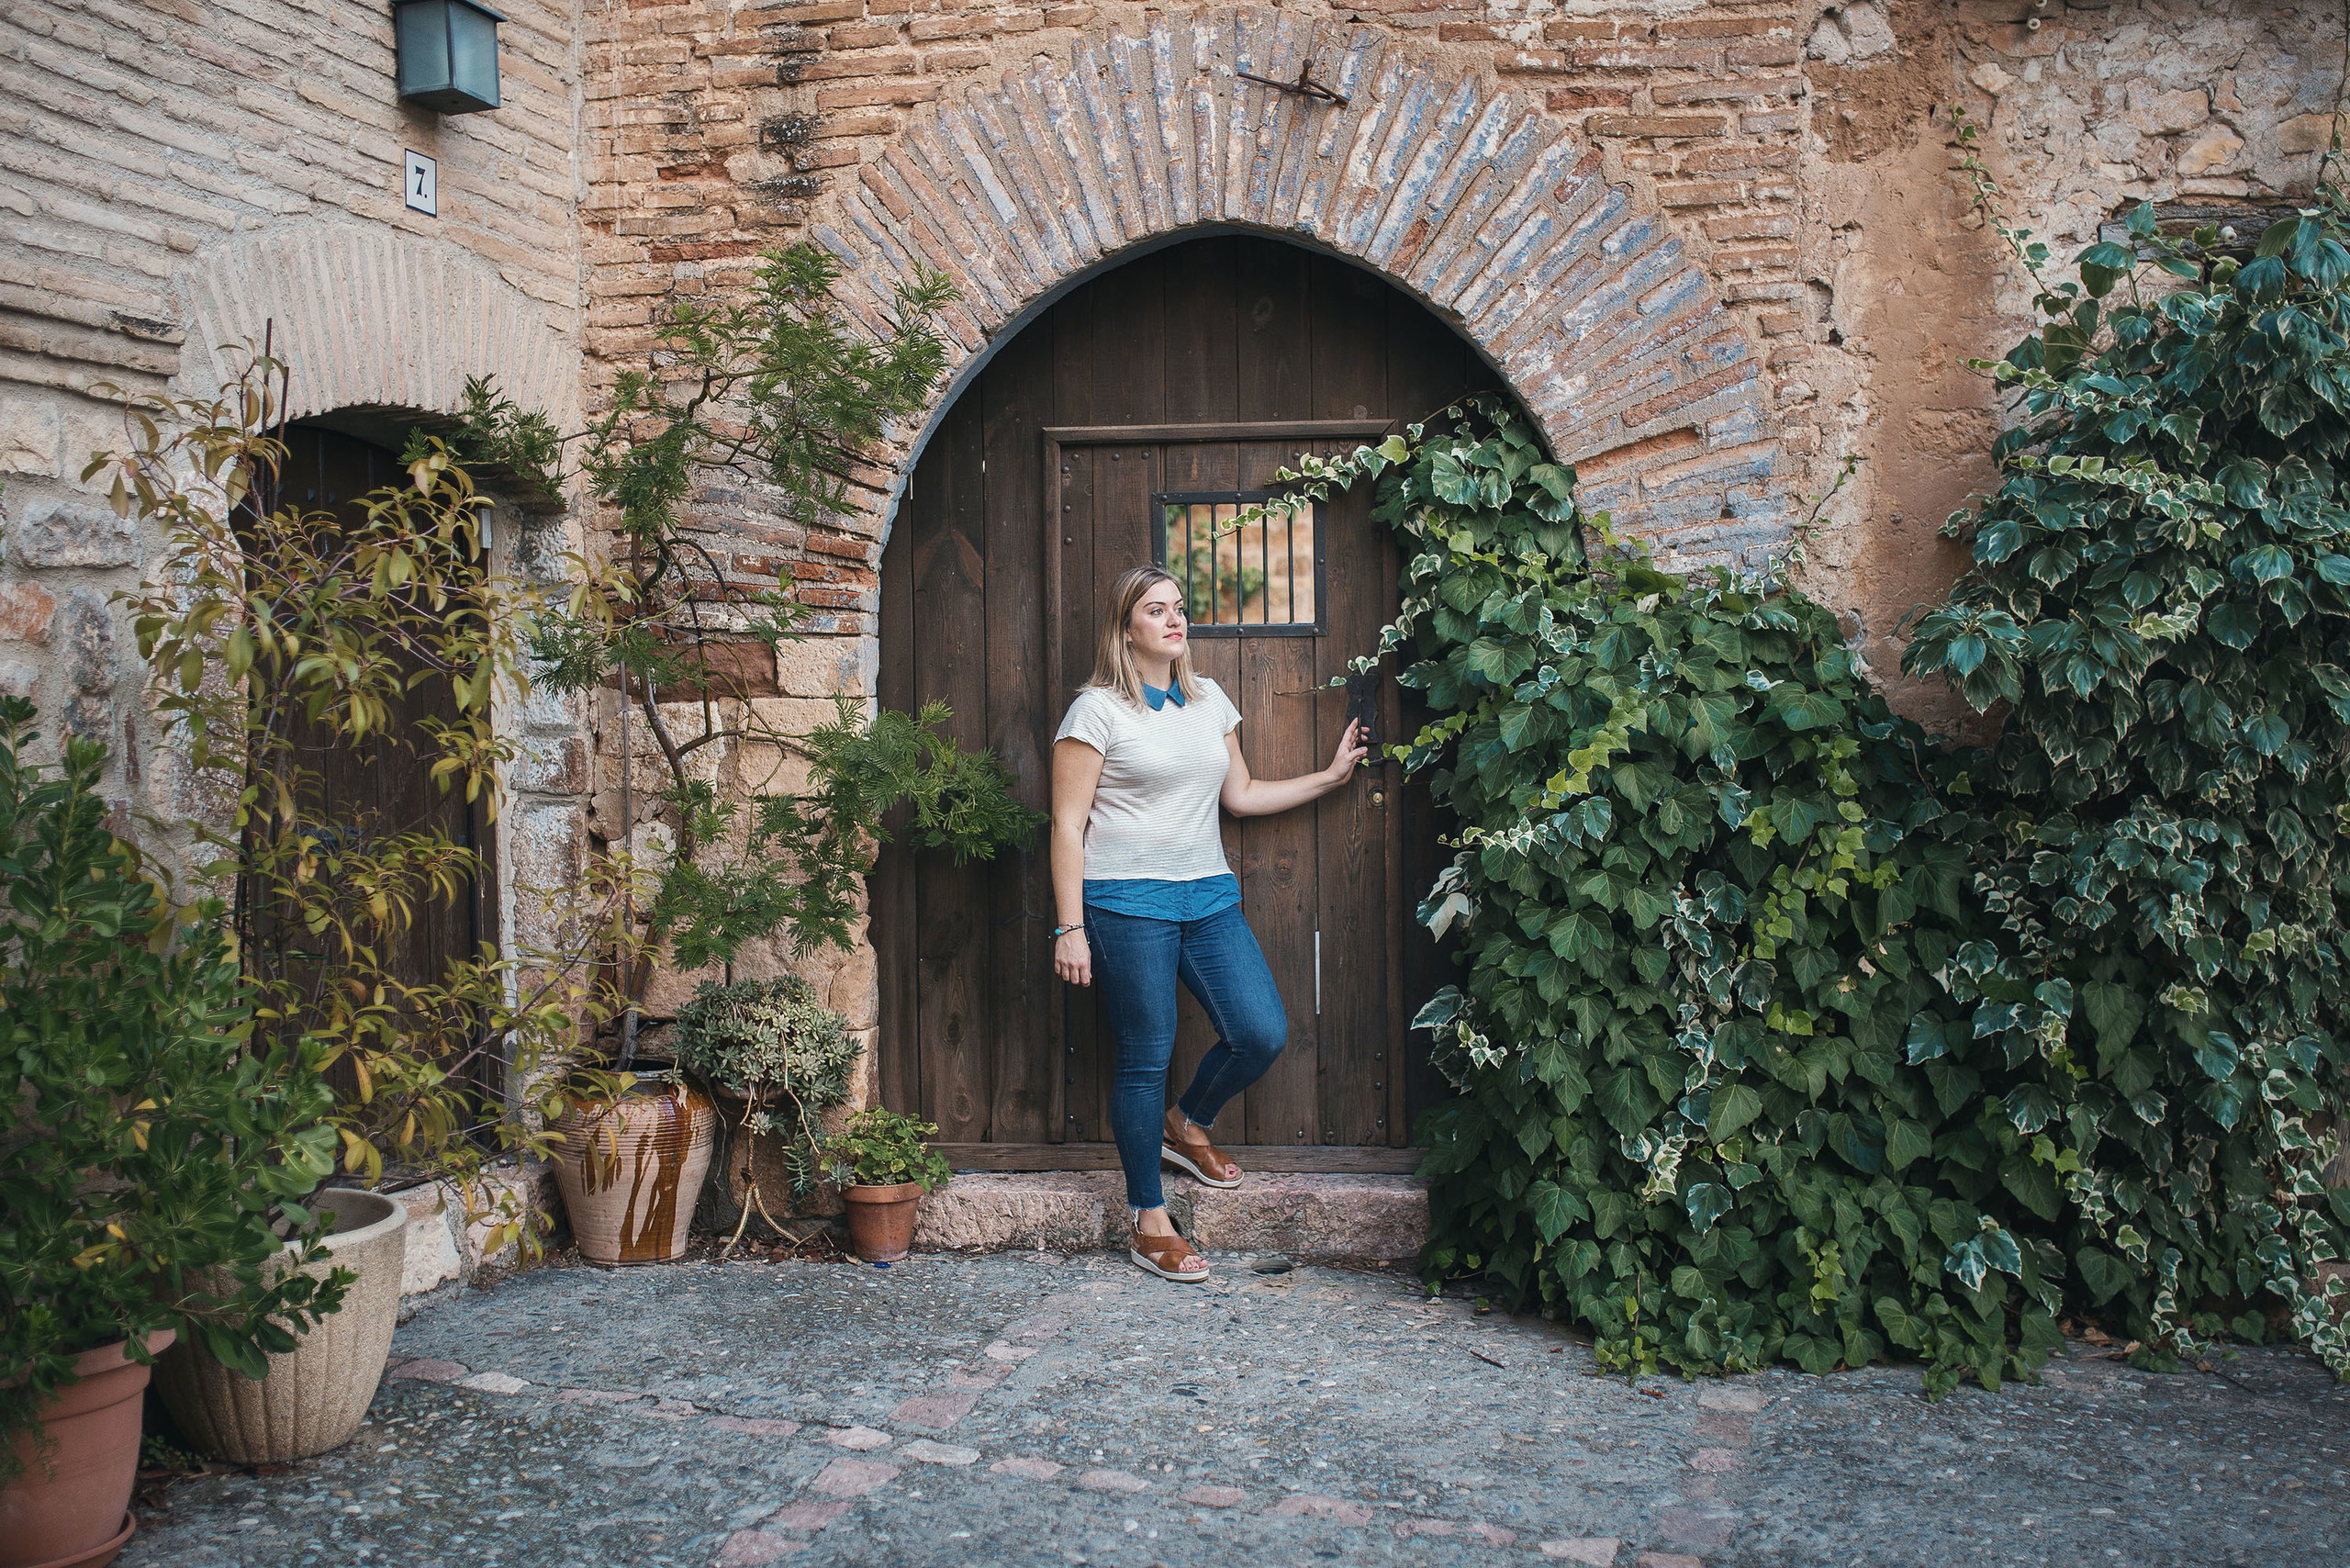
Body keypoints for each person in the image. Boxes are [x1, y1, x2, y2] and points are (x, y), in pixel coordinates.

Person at [1050, 564, 1369, 1282]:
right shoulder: (1095, 711)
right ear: (1125, 627)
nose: (1174, 620)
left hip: (1207, 896)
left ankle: (1187, 1122)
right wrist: (1070, 928)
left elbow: (1242, 794)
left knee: (1260, 1031)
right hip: (1125, 901)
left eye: (1178, 608)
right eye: (1154, 610)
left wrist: (1329, 777)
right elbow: (1067, 825)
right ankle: (1149, 1218)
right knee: (1145, 1056)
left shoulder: (1208, 698)